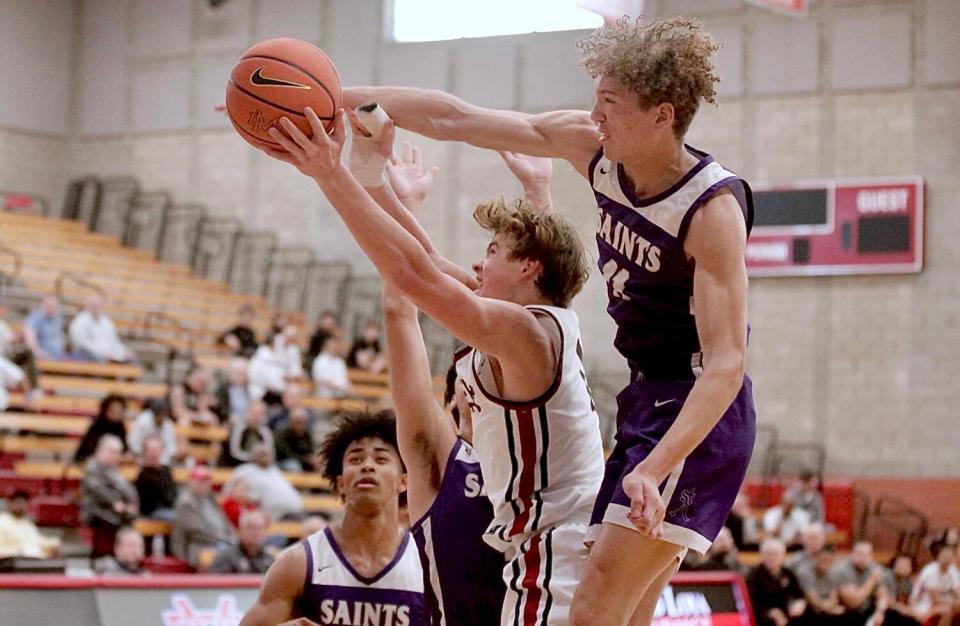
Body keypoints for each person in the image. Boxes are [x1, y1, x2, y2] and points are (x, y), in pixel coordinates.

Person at [340, 16, 756, 626]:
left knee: (591, 611)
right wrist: (340, 98)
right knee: (624, 615)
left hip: (699, 413)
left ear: (663, 116)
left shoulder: (711, 208)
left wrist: (657, 464)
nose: (595, 115)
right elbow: (456, 118)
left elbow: (727, 363)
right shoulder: (594, 148)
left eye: (610, 103)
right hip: (644, 401)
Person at [263, 106, 604, 625]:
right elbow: (421, 263)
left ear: (529, 267)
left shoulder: (530, 334)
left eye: (491, 250)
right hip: (546, 551)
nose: (475, 264)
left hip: (563, 553)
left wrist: (333, 173)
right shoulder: (536, 332)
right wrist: (377, 181)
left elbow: (417, 276)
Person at [238, 411, 427, 625]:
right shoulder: (299, 564)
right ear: (341, 484)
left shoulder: (426, 565)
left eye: (381, 458)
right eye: (355, 459)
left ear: (403, 482)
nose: (367, 465)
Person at [80, 435, 139, 558]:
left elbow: (129, 491)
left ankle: (127, 558)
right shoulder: (92, 468)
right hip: (97, 511)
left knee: (131, 519)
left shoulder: (115, 472)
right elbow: (97, 490)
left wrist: (129, 505)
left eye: (118, 453)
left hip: (118, 512)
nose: (115, 456)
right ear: (101, 450)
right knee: (117, 522)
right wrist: (115, 503)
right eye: (112, 452)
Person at [171, 465, 235, 568]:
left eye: (207, 481)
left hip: (220, 543)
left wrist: (232, 537)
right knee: (230, 554)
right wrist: (224, 540)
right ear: (191, 482)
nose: (205, 484)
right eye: (201, 481)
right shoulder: (186, 502)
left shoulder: (211, 499)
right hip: (197, 547)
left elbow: (226, 523)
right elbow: (196, 533)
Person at [226, 444, 304, 521]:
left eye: (267, 453)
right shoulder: (245, 470)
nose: (265, 456)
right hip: (272, 515)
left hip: (295, 511)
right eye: (261, 453)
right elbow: (229, 490)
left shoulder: (274, 470)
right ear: (253, 455)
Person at [746, 538, 812, 626]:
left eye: (776, 554)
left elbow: (799, 593)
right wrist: (770, 613)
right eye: (769, 554)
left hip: (787, 614)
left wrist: (800, 603)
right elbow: (751, 602)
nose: (772, 558)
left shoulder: (788, 573)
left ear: (782, 556)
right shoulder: (753, 575)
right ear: (762, 555)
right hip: (764, 616)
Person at [830, 541, 895, 623]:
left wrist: (880, 612)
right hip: (846, 611)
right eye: (859, 554)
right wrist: (872, 580)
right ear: (852, 554)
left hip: (866, 609)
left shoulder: (873, 567)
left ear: (871, 556)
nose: (862, 558)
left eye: (866, 555)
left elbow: (883, 594)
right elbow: (852, 603)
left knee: (891, 616)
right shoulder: (843, 569)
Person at [68, 295, 135, 363]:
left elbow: (114, 341)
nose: (96, 308)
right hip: (89, 353)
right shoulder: (80, 321)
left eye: (98, 305)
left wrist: (122, 351)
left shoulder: (106, 321)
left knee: (131, 358)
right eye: (93, 305)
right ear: (87, 306)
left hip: (109, 353)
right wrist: (103, 353)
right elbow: (81, 343)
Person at [247, 325, 304, 403]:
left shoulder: (294, 350)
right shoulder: (263, 352)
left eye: (292, 338)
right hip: (263, 389)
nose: (289, 340)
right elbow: (258, 373)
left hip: (282, 388)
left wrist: (291, 377)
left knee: (294, 390)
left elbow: (296, 370)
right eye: (288, 337)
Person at [207, 509, 274, 574]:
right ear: (239, 531)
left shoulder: (269, 559)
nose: (255, 533)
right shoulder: (226, 558)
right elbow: (214, 582)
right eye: (250, 527)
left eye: (259, 528)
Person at [0, 489, 61, 558]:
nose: (20, 505)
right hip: (9, 563)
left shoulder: (26, 522)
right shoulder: (2, 521)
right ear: (10, 503)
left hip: (30, 562)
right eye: (17, 501)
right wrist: (17, 552)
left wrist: (53, 544)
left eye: (23, 502)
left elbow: (37, 540)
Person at [913, 544, 960, 626]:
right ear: (939, 556)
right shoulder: (931, 570)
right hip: (923, 603)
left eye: (950, 556)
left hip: (943, 603)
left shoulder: (951, 570)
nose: (947, 559)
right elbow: (935, 599)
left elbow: (957, 591)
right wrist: (954, 602)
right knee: (947, 611)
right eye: (944, 555)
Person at [73, 394, 129, 464]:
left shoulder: (120, 427)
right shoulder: (97, 425)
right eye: (114, 410)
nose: (117, 414)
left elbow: (125, 449)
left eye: (120, 411)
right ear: (106, 410)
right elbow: (88, 450)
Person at [134, 436, 178, 520]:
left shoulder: (166, 470)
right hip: (152, 512)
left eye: (156, 450)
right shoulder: (143, 474)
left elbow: (173, 493)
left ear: (161, 451)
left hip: (168, 509)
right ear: (145, 452)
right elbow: (147, 505)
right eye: (150, 450)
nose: (153, 454)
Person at [127, 397, 181, 465]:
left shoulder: (168, 425)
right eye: (158, 415)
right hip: (141, 457)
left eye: (163, 415)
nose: (160, 418)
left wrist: (160, 460)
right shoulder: (143, 421)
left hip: (161, 461)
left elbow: (171, 449)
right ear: (153, 413)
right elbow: (134, 443)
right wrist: (144, 456)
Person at [23, 296, 69, 360]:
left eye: (54, 306)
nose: (51, 308)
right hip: (43, 355)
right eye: (49, 306)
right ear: (43, 305)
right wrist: (37, 352)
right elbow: (30, 339)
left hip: (59, 355)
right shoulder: (35, 318)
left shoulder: (57, 318)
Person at [274, 406, 316, 473]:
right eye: (298, 422)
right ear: (291, 421)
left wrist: (313, 459)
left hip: (302, 461)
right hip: (283, 461)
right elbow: (286, 453)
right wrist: (305, 459)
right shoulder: (281, 433)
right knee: (294, 465)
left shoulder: (306, 434)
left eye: (303, 422)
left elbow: (310, 450)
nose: (300, 425)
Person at [311, 334, 351, 400]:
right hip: (325, 396)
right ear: (326, 346)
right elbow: (324, 381)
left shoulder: (340, 362)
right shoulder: (320, 361)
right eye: (332, 345)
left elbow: (344, 380)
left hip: (342, 395)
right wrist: (340, 388)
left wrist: (345, 388)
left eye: (336, 345)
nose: (334, 347)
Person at [215, 357, 252, 424]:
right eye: (238, 373)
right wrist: (229, 416)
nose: (241, 376)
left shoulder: (250, 389)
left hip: (248, 421)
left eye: (243, 373)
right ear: (230, 373)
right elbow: (220, 407)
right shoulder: (222, 389)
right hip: (229, 422)